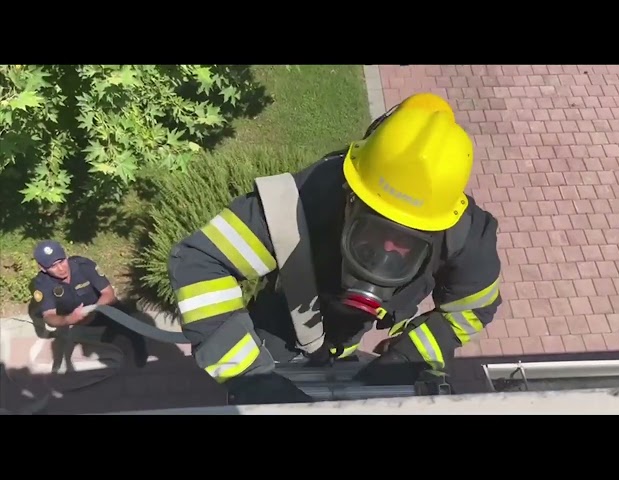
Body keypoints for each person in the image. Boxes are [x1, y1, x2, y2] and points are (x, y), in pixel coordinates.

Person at [167, 92, 502, 404]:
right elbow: (200, 262)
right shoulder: (307, 198)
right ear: (350, 197)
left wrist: (407, 359)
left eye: (407, 239)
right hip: (281, 328)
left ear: (438, 225)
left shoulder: (464, 236)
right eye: (374, 225)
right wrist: (250, 378)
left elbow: (473, 308)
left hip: (347, 342)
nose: (385, 250)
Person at [31, 240, 148, 367]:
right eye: (53, 266)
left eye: (62, 261)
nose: (61, 268)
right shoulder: (41, 283)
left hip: (101, 308)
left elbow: (108, 294)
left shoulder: (84, 266)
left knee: (126, 319)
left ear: (66, 256)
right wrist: (69, 319)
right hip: (74, 318)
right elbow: (49, 316)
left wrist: (94, 312)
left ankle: (139, 347)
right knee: (65, 349)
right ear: (42, 268)